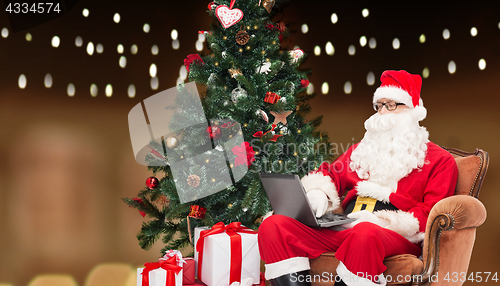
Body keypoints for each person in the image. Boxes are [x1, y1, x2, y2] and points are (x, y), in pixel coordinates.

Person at [258, 70, 458, 286]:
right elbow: (330, 174)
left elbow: (430, 213)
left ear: (412, 110)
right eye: (379, 105)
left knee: (364, 233)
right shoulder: (360, 151)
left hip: (394, 235)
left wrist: (381, 221)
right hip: (348, 227)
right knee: (274, 224)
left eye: (391, 105)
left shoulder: (440, 161)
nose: (382, 113)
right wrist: (318, 193)